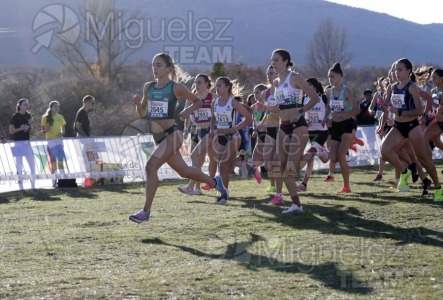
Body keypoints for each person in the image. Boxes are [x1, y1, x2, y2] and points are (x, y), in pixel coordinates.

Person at [129, 53, 228, 223]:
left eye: (159, 65)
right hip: (159, 138)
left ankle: (145, 212)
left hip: (173, 135)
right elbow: (143, 113)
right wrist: (138, 104)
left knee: (150, 167)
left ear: (168, 69)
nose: (155, 68)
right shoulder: (148, 87)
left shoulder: (176, 87)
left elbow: (197, 101)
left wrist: (187, 111)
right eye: (153, 65)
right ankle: (215, 182)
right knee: (184, 172)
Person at [256, 49, 319, 213]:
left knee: (290, 168)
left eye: (276, 60)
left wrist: (300, 111)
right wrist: (265, 107)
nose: (273, 63)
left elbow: (314, 98)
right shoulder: (277, 82)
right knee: (279, 168)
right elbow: (279, 107)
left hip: (298, 125)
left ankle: (314, 151)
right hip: (283, 126)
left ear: (286, 61)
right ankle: (297, 204)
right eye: (272, 60)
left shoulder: (295, 77)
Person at [380, 58, 442, 201]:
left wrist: (401, 112)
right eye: (395, 70)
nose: (396, 73)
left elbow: (419, 110)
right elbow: (385, 105)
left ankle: (438, 187)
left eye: (400, 69)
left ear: (408, 71)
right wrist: (385, 107)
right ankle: (404, 171)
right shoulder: (392, 87)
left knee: (423, 159)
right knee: (385, 151)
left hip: (412, 126)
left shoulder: (412, 87)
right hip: (398, 126)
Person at [209, 76, 252, 205]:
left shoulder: (233, 102)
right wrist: (212, 129)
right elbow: (213, 119)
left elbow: (248, 117)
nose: (217, 88)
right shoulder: (214, 103)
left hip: (233, 137)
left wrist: (235, 128)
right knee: (223, 167)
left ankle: (224, 196)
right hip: (221, 136)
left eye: (220, 85)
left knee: (223, 165)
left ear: (227, 87)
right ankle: (241, 160)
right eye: (216, 85)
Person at [178, 74, 217, 195]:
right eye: (195, 82)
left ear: (207, 84)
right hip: (196, 130)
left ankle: (208, 183)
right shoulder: (192, 98)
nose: (196, 85)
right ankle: (197, 188)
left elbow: (217, 114)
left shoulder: (213, 97)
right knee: (196, 160)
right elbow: (188, 115)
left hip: (209, 131)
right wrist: (186, 129)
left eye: (199, 82)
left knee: (211, 158)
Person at [324, 63, 360, 193]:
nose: (330, 79)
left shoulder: (347, 91)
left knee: (341, 155)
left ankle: (346, 186)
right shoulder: (328, 92)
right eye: (329, 77)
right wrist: (325, 118)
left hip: (347, 124)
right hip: (335, 125)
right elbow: (328, 107)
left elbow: (356, 109)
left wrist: (342, 114)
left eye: (332, 76)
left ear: (340, 77)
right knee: (333, 157)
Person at [297, 77, 330, 192]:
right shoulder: (304, 99)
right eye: (306, 86)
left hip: (322, 131)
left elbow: (330, 107)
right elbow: (299, 113)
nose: (308, 88)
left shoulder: (323, 97)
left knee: (309, 154)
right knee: (313, 159)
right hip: (309, 132)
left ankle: (303, 183)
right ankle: (304, 185)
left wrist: (326, 118)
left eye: (310, 86)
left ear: (315, 87)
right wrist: (305, 122)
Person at [9, 98, 35, 188]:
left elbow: (31, 130)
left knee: (31, 161)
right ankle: (20, 184)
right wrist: (21, 128)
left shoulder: (28, 115)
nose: (27, 106)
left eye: (27, 104)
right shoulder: (15, 116)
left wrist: (30, 124)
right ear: (19, 106)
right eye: (25, 104)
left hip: (27, 142)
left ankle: (33, 183)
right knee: (19, 162)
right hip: (18, 142)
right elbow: (11, 131)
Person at [41, 100, 67, 186]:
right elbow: (42, 130)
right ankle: (53, 181)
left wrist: (62, 133)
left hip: (59, 141)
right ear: (51, 108)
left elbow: (63, 128)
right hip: (51, 142)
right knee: (53, 161)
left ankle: (63, 180)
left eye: (58, 107)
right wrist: (46, 130)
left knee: (60, 161)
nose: (57, 108)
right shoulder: (45, 117)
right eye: (55, 106)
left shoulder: (60, 116)